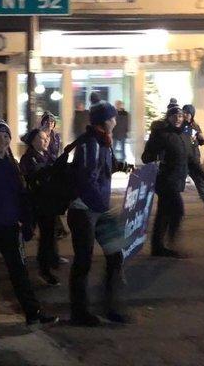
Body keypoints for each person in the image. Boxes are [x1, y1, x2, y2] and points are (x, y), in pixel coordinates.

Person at [0, 113, 57, 328]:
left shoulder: (12, 164)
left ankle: (32, 312)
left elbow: (22, 195)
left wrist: (26, 223)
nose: (2, 140)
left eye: (5, 136)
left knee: (19, 272)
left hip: (9, 228)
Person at [67, 96, 132, 326]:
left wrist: (124, 166)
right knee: (83, 262)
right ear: (104, 121)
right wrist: (100, 206)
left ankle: (111, 306)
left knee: (115, 255)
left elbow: (107, 166)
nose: (116, 119)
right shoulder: (90, 144)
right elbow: (86, 181)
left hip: (97, 209)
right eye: (112, 116)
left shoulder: (104, 141)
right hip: (84, 211)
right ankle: (79, 312)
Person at [142, 102, 198, 258]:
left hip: (177, 180)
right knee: (177, 210)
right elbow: (146, 157)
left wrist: (200, 173)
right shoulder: (161, 134)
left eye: (180, 115)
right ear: (168, 118)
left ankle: (158, 247)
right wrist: (159, 156)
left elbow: (189, 157)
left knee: (164, 214)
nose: (178, 118)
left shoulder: (183, 135)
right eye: (175, 116)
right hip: (165, 181)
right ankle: (170, 243)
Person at [20, 128, 64, 287]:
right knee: (42, 237)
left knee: (49, 235)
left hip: (49, 203)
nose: (46, 140)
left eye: (47, 138)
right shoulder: (28, 158)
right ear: (33, 141)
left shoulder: (48, 156)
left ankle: (50, 262)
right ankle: (43, 269)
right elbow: (33, 176)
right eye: (42, 138)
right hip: (36, 204)